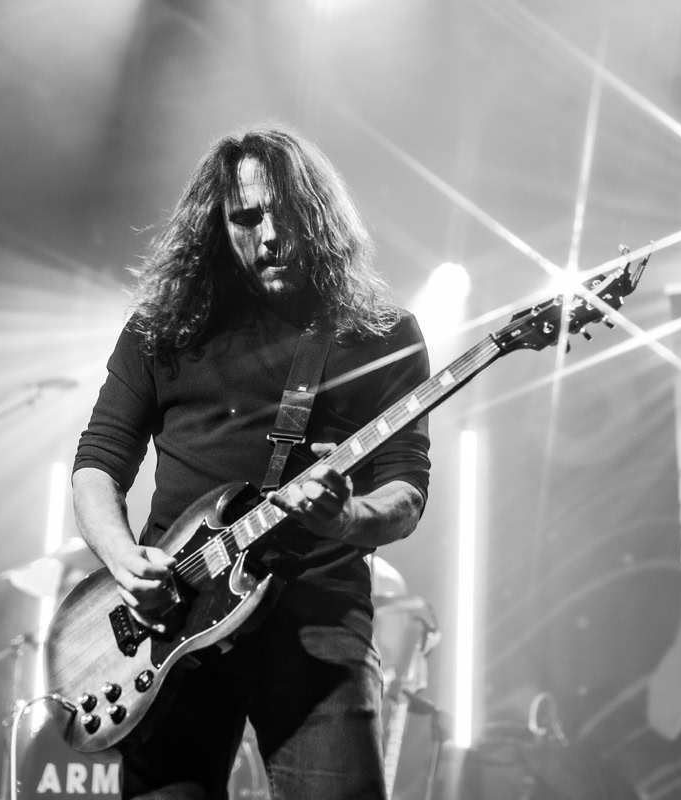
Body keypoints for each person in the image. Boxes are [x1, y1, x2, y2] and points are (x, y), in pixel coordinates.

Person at [72, 125, 432, 800]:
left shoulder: (380, 335)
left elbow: (406, 490)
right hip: (171, 624)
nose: (270, 237)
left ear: (318, 215)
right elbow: (98, 462)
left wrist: (347, 517)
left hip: (317, 621)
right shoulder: (161, 330)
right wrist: (123, 560)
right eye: (246, 218)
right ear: (215, 225)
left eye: (286, 214)